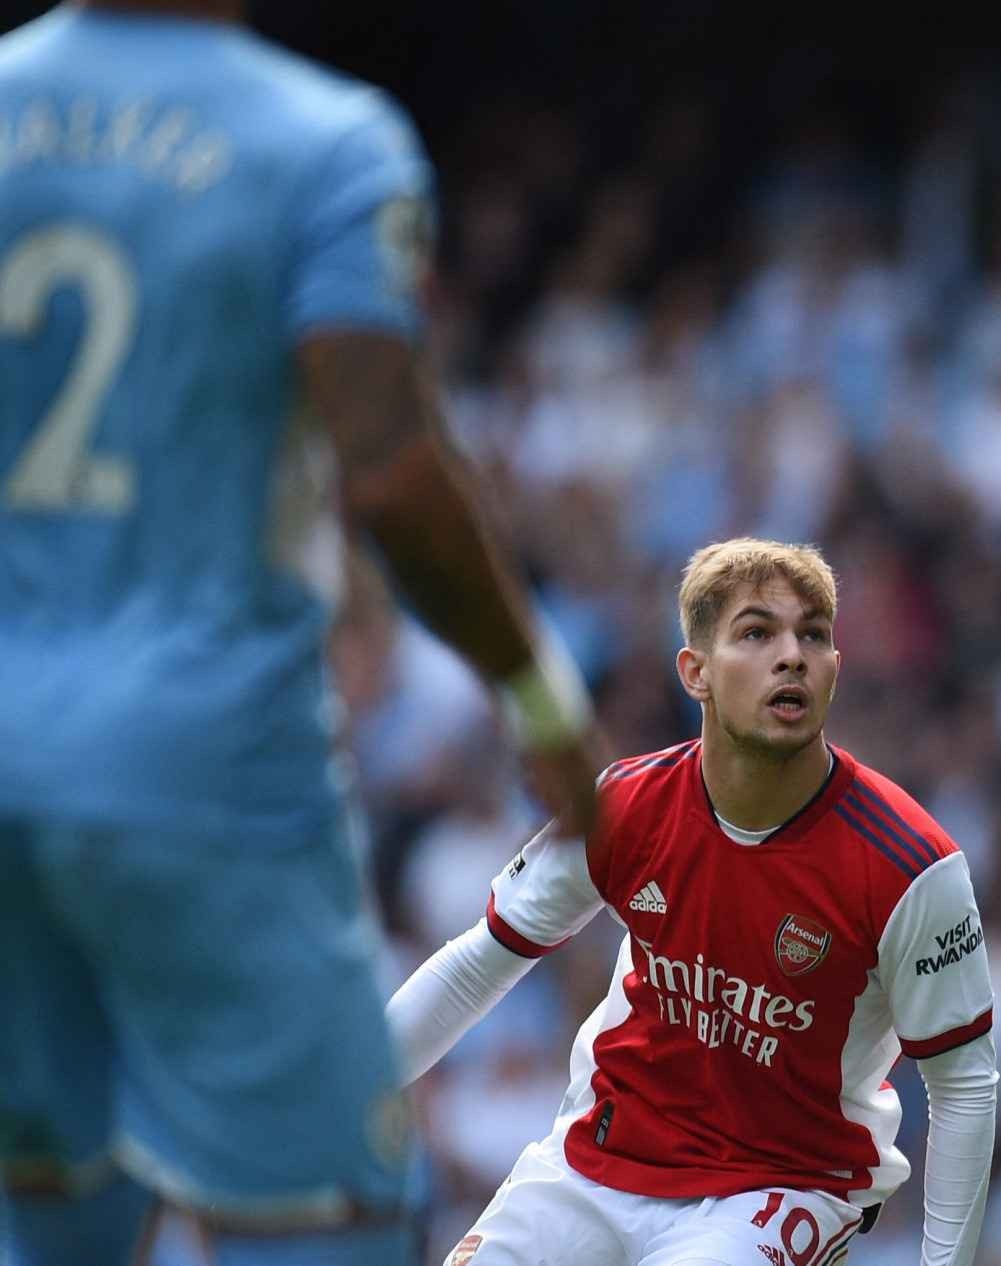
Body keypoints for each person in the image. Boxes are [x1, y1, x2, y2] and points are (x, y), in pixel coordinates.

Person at [0, 3, 600, 1264]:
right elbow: (386, 470)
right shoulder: (324, 143)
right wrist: (536, 694)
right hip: (203, 769)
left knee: (56, 1208)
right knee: (329, 1219)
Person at [385, 538, 998, 1266]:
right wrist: (337, 1100)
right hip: (598, 1157)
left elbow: (962, 1084)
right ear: (695, 672)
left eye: (814, 635)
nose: (792, 655)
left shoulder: (909, 864)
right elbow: (477, 964)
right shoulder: (623, 806)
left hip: (782, 1187)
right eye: (756, 633)